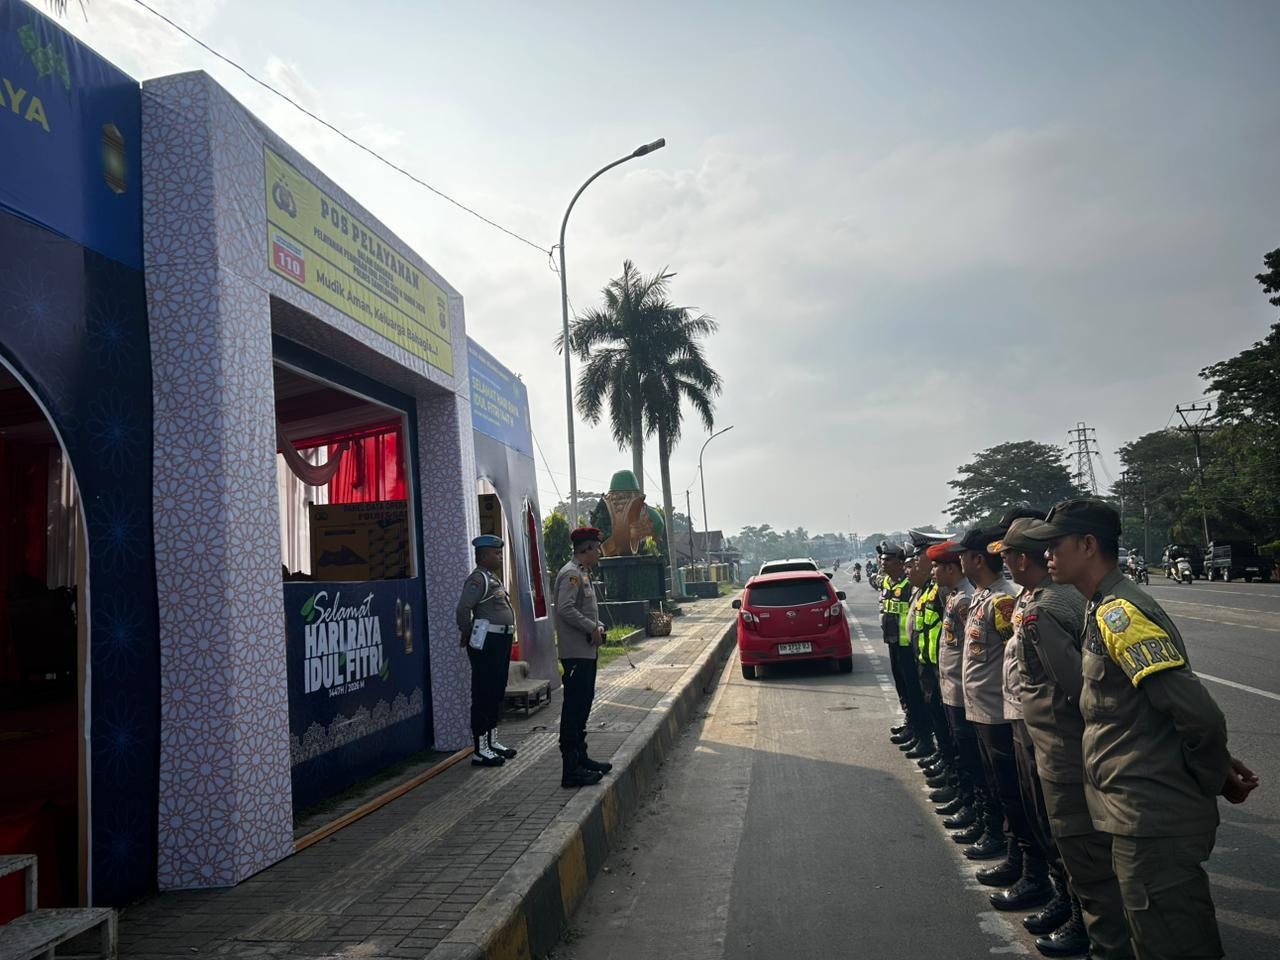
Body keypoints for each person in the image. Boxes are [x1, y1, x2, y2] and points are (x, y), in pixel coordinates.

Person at [1032, 498, 1259, 960]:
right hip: (1134, 809)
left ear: (1088, 545)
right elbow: (1145, 713)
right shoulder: (1100, 607)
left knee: (1172, 943)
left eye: (1055, 545)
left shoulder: (1121, 614)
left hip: (1153, 814)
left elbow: (1199, 715)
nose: (1047, 556)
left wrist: (1213, 775)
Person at [990, 518, 1121, 958]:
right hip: (1059, 741)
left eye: (1006, 554)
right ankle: (1076, 913)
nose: (1003, 562)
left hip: (1061, 745)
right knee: (1068, 840)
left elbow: (1075, 685)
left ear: (1020, 558)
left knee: (1075, 845)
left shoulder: (1044, 607)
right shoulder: (1059, 597)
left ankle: (1086, 926)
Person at [957, 525, 1027, 868]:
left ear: (977, 559)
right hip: (983, 711)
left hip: (1000, 716)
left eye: (964, 555)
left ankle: (1019, 858)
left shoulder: (1002, 600)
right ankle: (1000, 838)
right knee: (996, 785)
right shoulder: (984, 596)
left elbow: (1014, 661)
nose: (960, 562)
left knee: (1011, 793)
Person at [927, 541, 985, 835]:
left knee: (971, 759)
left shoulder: (965, 600)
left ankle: (976, 813)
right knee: (962, 754)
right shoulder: (955, 597)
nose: (933, 571)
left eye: (937, 566)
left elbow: (970, 652)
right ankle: (967, 802)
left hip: (964, 693)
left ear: (950, 568)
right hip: (952, 690)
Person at [554, 526, 612, 789]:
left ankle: (582, 758)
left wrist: (596, 628)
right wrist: (591, 628)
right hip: (575, 653)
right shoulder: (571, 575)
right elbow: (565, 610)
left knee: (584, 705)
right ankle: (571, 769)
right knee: (574, 709)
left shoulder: (582, 574)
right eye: (596, 547)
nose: (599, 552)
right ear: (586, 549)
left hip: (586, 651)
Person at [455, 534, 519, 767]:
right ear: (483, 556)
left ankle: (492, 741)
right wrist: (467, 631)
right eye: (496, 553)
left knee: (496, 691)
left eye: (500, 553)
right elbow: (463, 609)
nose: (500, 556)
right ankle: (480, 749)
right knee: (483, 693)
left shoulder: (493, 578)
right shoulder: (478, 579)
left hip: (500, 641)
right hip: (487, 642)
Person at [880, 541, 928, 751]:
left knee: (914, 690)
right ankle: (911, 724)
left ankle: (921, 732)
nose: (883, 563)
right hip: (892, 642)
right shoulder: (886, 582)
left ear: (901, 563)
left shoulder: (909, 585)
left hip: (907, 645)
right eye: (882, 559)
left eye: (888, 559)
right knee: (902, 688)